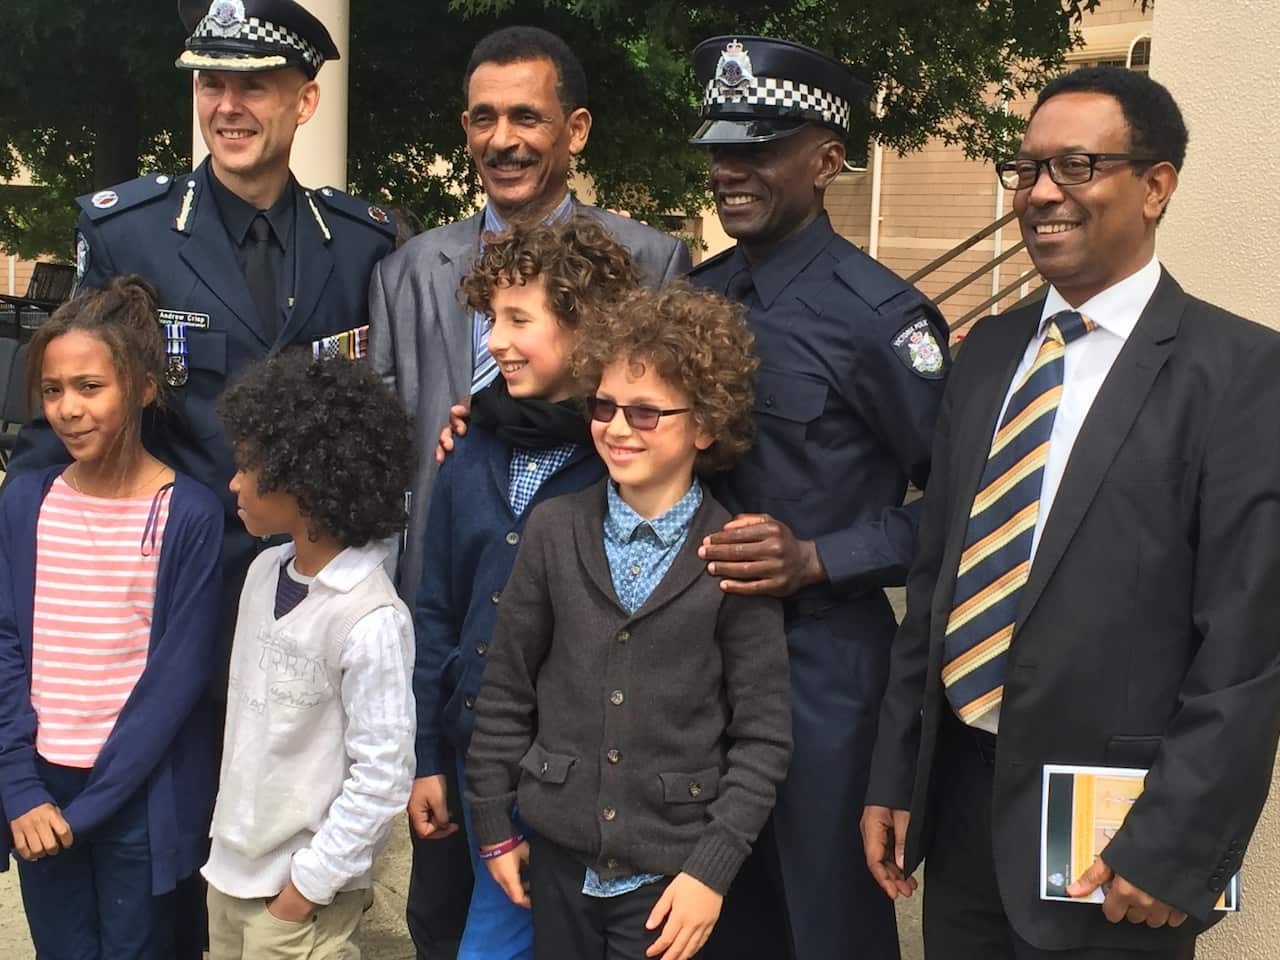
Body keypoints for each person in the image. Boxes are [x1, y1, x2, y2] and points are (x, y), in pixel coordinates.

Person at [861, 66, 1280, 960]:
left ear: (1157, 186)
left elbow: (1249, 646)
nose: (1043, 192)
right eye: (1027, 169)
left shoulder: (1241, 374)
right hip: (963, 804)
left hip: (1116, 842)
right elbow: (936, 580)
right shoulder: (987, 355)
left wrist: (1177, 844)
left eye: (1078, 165)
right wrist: (897, 774)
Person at [366, 25, 691, 957]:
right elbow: (394, 455)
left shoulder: (652, 261)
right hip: (460, 631)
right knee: (445, 904)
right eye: (482, 118)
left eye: (526, 116)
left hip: (589, 680)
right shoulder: (405, 271)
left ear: (574, 128)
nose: (502, 138)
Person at [3, 0, 397, 688]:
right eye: (210, 83)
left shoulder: (363, 244)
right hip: (169, 589)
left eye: (253, 85)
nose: (227, 106)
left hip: (316, 599)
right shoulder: (130, 234)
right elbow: (62, 422)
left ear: (305, 100)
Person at [682, 36, 949, 960]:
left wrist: (820, 556)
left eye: (758, 147)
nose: (728, 169)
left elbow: (951, 514)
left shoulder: (883, 321)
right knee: (709, 915)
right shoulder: (697, 295)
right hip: (700, 662)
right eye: (720, 147)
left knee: (822, 920)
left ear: (827, 160)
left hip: (822, 671)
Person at [466, 282, 792, 960]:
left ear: (703, 425)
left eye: (646, 414)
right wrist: (495, 824)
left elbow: (762, 737)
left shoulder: (734, 550)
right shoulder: (554, 531)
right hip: (554, 866)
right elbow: (505, 690)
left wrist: (711, 870)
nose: (617, 427)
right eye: (605, 406)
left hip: (672, 883)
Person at [415, 216, 643, 960]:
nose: (493, 343)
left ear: (587, 325)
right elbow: (436, 610)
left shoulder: (631, 467)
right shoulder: (470, 447)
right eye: (490, 320)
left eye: (518, 319)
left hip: (579, 782)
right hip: (473, 757)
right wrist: (425, 756)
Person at [0, 276, 223, 958]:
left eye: (90, 387)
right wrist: (19, 786)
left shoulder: (188, 513)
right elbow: (6, 642)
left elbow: (174, 684)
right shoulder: (26, 503)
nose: (68, 408)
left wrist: (87, 813)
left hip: (137, 795)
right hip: (39, 788)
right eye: (52, 390)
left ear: (144, 388)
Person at [204, 350, 415, 959]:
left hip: (300, 902)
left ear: (311, 478)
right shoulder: (263, 574)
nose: (234, 483)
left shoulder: (371, 618)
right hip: (229, 874)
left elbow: (383, 775)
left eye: (249, 467)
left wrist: (305, 888)